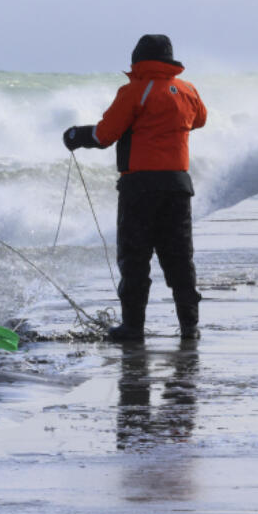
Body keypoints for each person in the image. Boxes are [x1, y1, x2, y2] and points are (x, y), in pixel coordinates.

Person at [62, 34, 207, 341]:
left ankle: (132, 328)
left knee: (135, 258)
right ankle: (190, 327)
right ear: (169, 61)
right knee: (180, 258)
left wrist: (76, 135)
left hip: (139, 187)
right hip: (178, 187)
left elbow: (105, 135)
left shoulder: (134, 91)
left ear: (138, 60)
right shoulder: (188, 90)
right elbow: (199, 121)